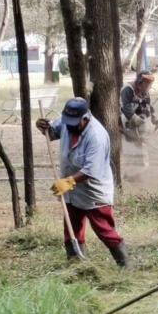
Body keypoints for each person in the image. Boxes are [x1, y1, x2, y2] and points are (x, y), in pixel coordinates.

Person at [36, 97, 130, 269]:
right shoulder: (68, 123)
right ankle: (76, 265)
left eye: (74, 123)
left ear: (85, 118)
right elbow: (52, 130)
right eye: (67, 121)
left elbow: (90, 170)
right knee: (72, 227)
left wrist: (68, 182)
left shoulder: (97, 137)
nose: (70, 126)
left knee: (103, 229)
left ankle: (124, 265)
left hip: (93, 191)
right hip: (72, 190)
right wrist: (42, 126)